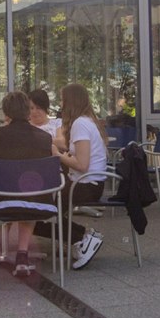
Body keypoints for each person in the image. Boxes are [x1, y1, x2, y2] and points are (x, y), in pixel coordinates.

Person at [0, 91, 59, 277]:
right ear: (27, 112)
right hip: (40, 205)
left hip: (2, 205)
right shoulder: (45, 138)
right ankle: (22, 256)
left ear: (7, 113)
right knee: (29, 192)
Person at [51, 83, 108, 269]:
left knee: (44, 211)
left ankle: (85, 236)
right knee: (48, 209)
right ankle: (81, 238)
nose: (60, 104)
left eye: (62, 99)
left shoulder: (80, 124)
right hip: (90, 183)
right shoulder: (87, 121)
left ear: (70, 101)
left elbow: (82, 165)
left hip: (85, 185)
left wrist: (58, 156)